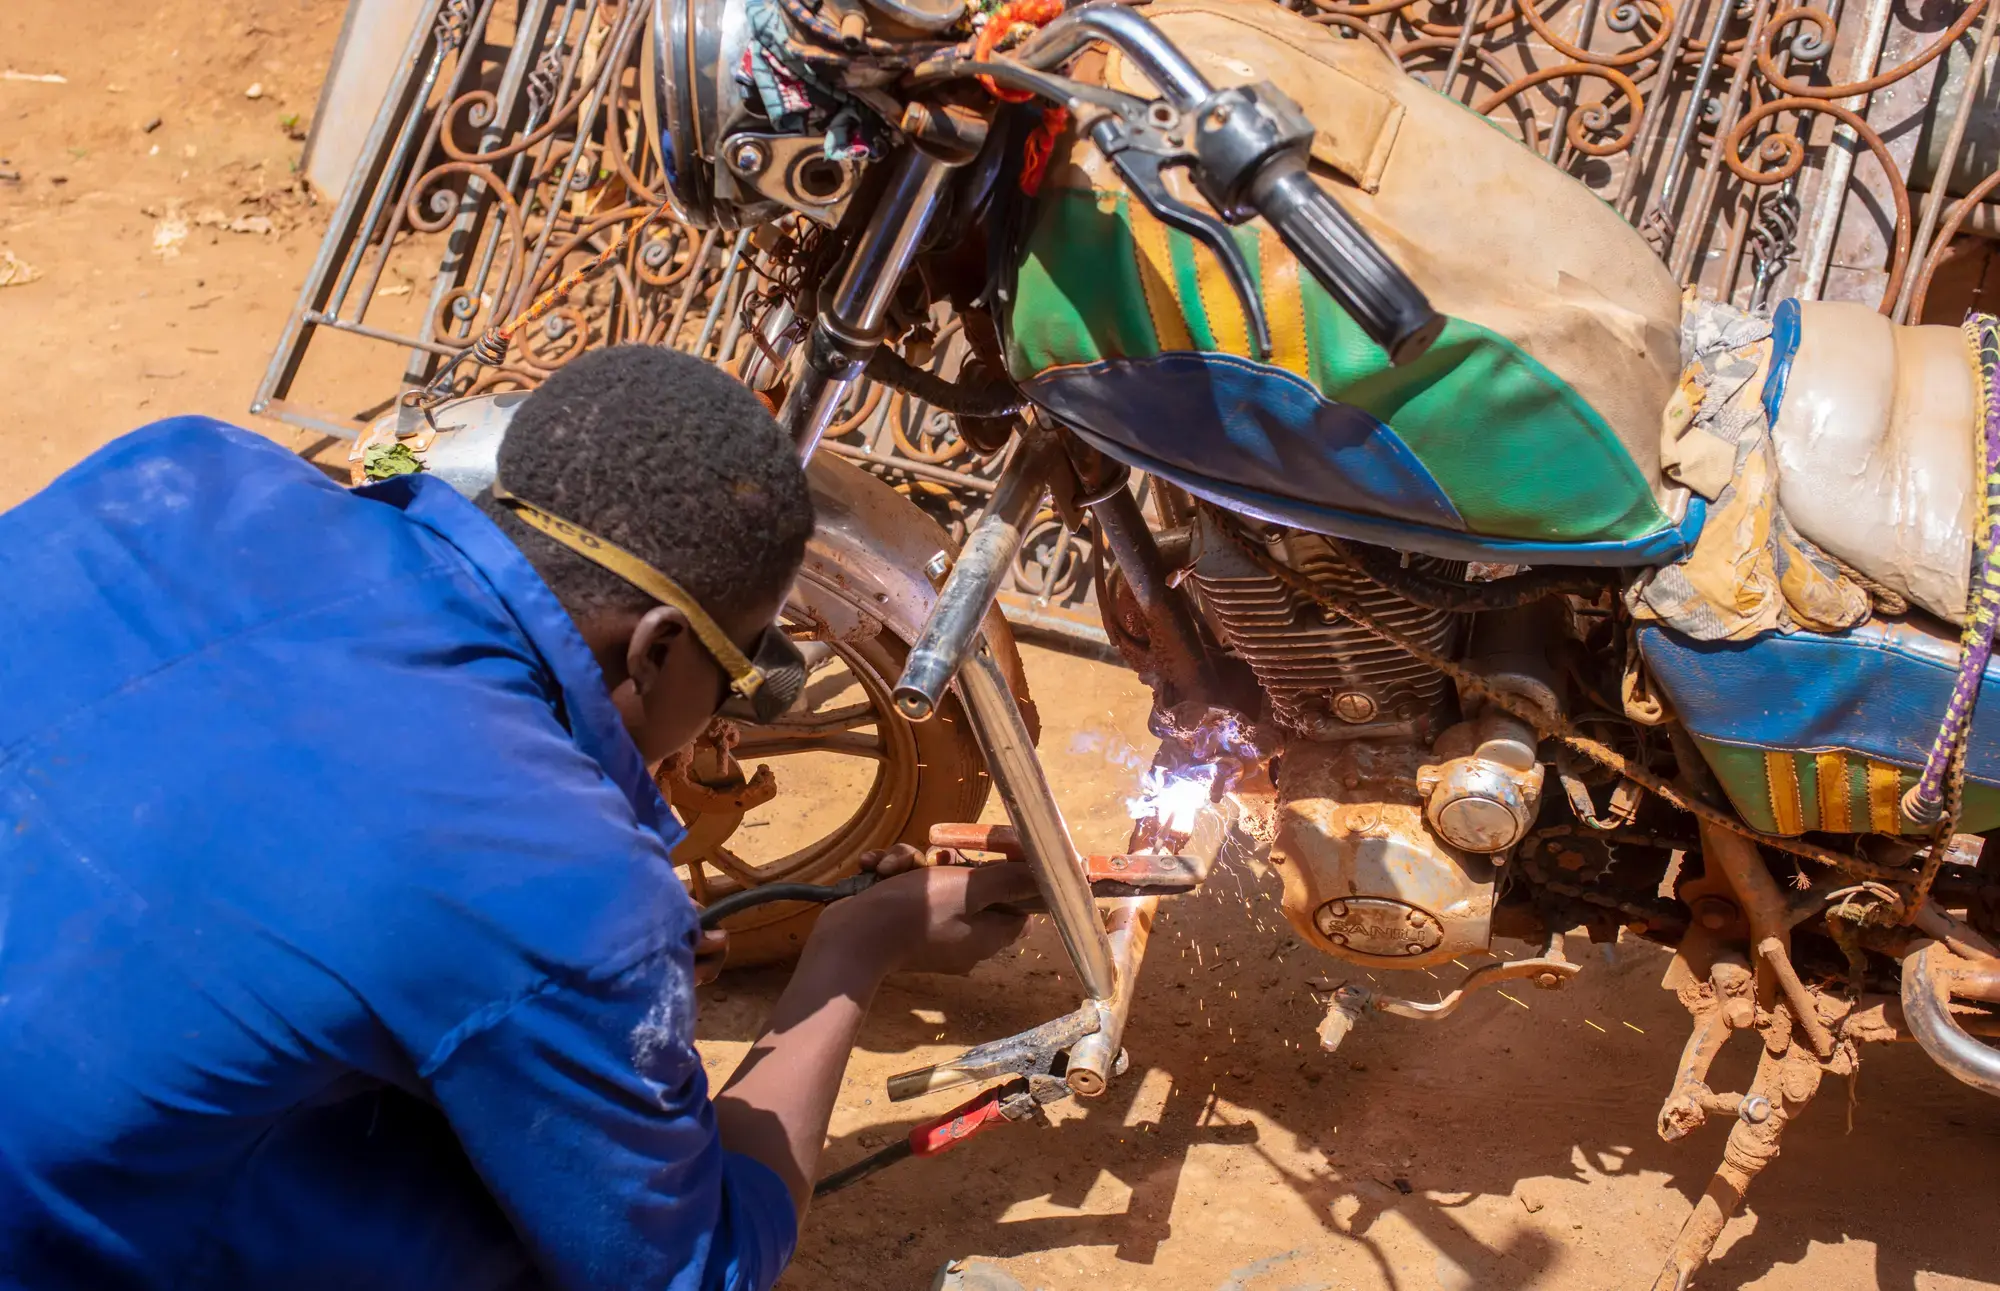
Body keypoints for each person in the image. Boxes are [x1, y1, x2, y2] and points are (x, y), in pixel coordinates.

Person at [0, 345, 1035, 1289]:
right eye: (735, 676)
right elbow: (692, 1271)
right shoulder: (563, 885)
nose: (722, 720)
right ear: (659, 648)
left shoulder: (187, 469)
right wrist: (853, 948)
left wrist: (562, 978)